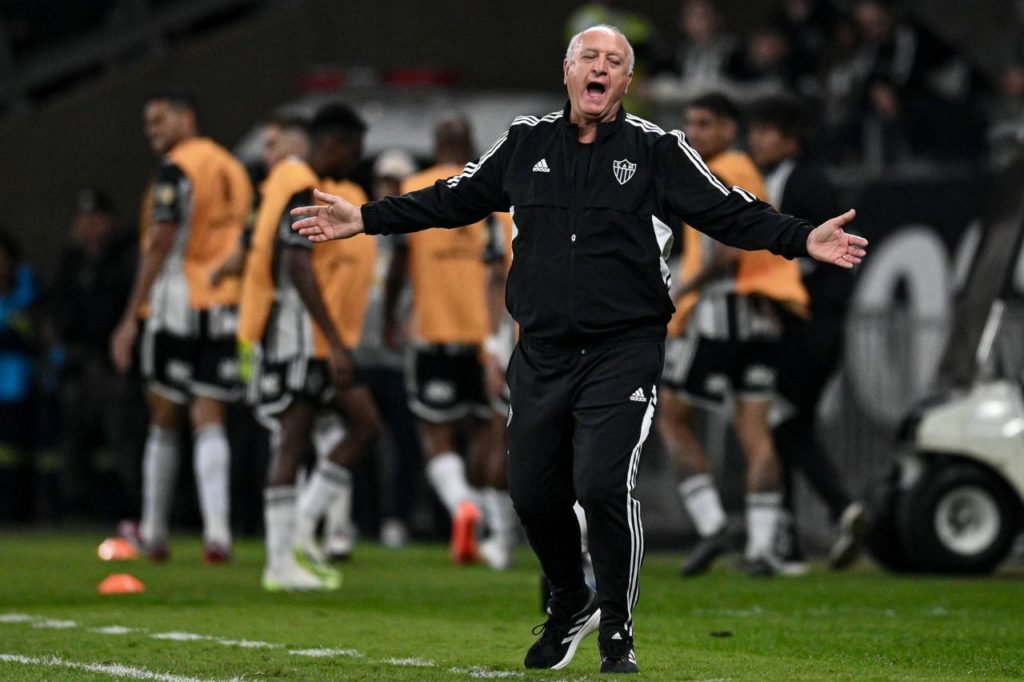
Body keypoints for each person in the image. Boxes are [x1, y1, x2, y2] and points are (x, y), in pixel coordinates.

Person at [291, 25, 866, 674]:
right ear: (568, 71)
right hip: (540, 350)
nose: (600, 68)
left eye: (614, 62)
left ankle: (618, 630)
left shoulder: (657, 150)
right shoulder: (524, 141)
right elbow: (454, 200)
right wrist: (364, 219)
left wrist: (801, 238)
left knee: (600, 483)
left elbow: (729, 210)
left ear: (625, 82)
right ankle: (571, 601)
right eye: (589, 57)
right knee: (532, 494)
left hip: (624, 346)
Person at [657, 92, 809, 578]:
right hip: (761, 317)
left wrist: (684, 288)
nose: (694, 134)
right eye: (689, 124)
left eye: (704, 124)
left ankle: (711, 524)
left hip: (722, 312)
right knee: (755, 432)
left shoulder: (725, 168)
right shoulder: (748, 168)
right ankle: (762, 548)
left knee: (672, 416)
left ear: (728, 128)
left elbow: (726, 249)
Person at [237, 104, 380, 591]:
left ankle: (299, 530)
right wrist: (336, 341)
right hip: (299, 338)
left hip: (317, 340)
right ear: (332, 145)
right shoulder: (301, 188)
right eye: (352, 153)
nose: (354, 163)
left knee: (364, 424)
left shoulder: (313, 188)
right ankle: (279, 563)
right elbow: (297, 265)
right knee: (293, 439)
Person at [110, 92, 252, 563]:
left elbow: (162, 240)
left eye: (160, 120)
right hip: (224, 307)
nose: (152, 130)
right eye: (147, 123)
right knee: (211, 418)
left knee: (165, 417)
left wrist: (131, 314)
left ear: (186, 117)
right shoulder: (232, 167)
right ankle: (218, 534)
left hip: (177, 306)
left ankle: (153, 530)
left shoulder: (176, 169)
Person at [384, 115, 515, 568]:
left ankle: (462, 505)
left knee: (435, 436)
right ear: (472, 144)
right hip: (486, 338)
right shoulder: (492, 195)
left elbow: (399, 264)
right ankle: (491, 529)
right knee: (487, 435)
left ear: (435, 142)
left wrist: (387, 315)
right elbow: (502, 269)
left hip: (432, 332)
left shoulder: (415, 185)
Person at [746, 94, 865, 570]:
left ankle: (810, 525)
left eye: (767, 130)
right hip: (802, 323)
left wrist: (779, 299)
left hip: (810, 325)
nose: (756, 138)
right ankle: (805, 529)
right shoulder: (773, 179)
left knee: (781, 425)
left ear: (791, 138)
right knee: (790, 427)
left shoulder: (807, 183)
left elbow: (820, 256)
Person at [52, 189, 143, 520]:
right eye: (83, 219)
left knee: (125, 440)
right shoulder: (71, 261)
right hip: (79, 365)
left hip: (114, 365)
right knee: (73, 443)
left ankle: (133, 510)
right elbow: (59, 311)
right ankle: (75, 511)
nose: (89, 226)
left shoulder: (125, 258)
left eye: (96, 219)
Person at [351, 148, 425, 551]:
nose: (389, 189)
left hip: (401, 356)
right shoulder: (362, 231)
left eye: (397, 182)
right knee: (362, 436)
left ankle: (397, 516)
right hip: (362, 351)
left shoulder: (421, 233)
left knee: (406, 443)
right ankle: (362, 516)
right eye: (385, 181)